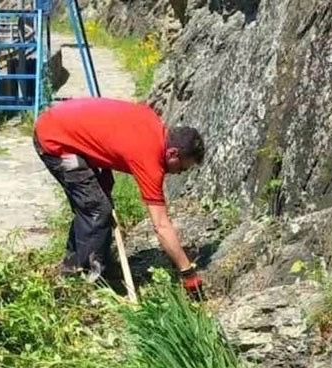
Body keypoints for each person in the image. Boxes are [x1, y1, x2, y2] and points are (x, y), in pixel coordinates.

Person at [32, 97, 206, 298]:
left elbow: (110, 132)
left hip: (60, 122)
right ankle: (82, 284)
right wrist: (187, 272)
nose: (179, 172)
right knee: (96, 209)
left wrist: (104, 171)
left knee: (92, 206)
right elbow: (161, 225)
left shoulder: (152, 120)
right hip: (54, 139)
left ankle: (74, 268)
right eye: (182, 167)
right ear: (173, 153)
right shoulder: (150, 158)